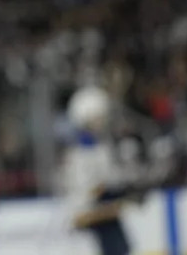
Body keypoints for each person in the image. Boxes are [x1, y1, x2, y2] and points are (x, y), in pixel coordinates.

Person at [62, 86, 134, 255]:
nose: (101, 122)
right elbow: (84, 198)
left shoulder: (101, 149)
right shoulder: (80, 155)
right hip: (94, 224)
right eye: (97, 118)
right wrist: (108, 200)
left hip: (105, 219)